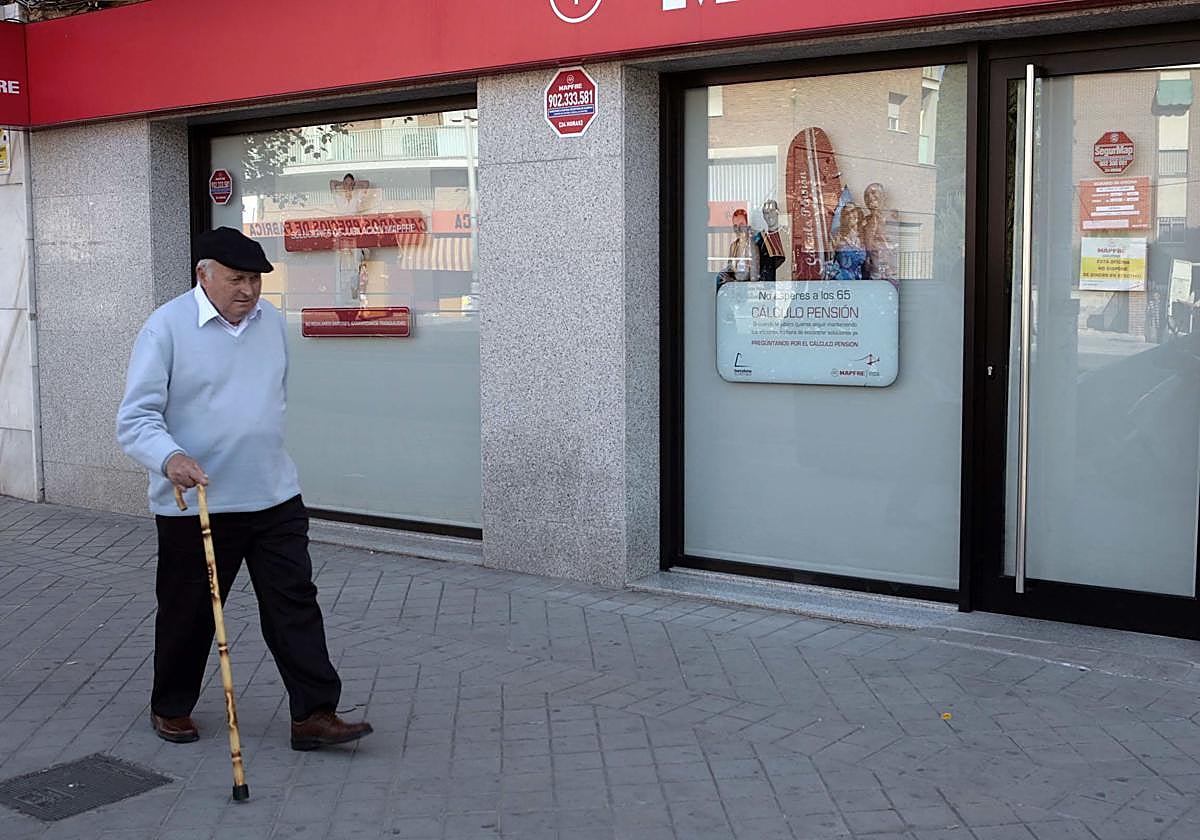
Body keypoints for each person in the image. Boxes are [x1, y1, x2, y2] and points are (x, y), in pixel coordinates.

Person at [117, 227, 373, 751]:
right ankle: (171, 706)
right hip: (199, 503)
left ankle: (314, 713)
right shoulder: (165, 328)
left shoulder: (272, 324)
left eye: (255, 279)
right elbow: (136, 418)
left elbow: (271, 398)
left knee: (294, 603)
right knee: (190, 611)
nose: (248, 290)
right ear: (203, 275)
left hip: (273, 494)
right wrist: (171, 457)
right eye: (236, 278)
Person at [716, 208, 758, 286]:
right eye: (735, 226)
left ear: (748, 226)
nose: (738, 229)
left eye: (741, 225)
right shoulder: (733, 246)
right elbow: (730, 269)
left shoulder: (752, 247)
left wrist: (732, 281)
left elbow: (754, 280)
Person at [753, 199, 787, 282]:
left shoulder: (787, 234)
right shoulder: (759, 238)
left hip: (787, 281)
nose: (769, 215)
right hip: (768, 284)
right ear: (763, 216)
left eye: (772, 211)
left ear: (778, 212)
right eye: (766, 213)